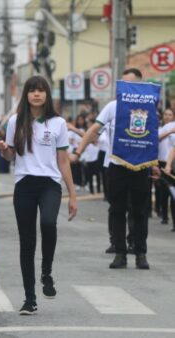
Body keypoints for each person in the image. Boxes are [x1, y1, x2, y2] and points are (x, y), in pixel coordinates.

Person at [0, 76, 77, 315]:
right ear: (26, 95)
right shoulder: (15, 121)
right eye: (32, 91)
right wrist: (3, 149)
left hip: (49, 184)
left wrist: (73, 195)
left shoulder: (58, 123)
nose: (36, 94)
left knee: (49, 223)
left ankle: (46, 272)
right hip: (24, 184)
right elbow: (11, 156)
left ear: (47, 95)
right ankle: (29, 298)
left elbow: (63, 161)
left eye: (41, 90)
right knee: (27, 242)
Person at [70, 68, 157, 270]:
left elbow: (152, 137)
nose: (126, 88)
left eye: (131, 84)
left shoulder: (150, 105)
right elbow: (94, 129)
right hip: (117, 166)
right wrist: (78, 152)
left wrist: (156, 164)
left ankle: (140, 253)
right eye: (123, 84)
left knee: (140, 211)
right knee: (117, 210)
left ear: (140, 86)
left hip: (140, 166)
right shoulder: (112, 107)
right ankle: (120, 253)